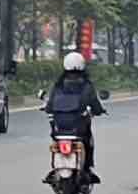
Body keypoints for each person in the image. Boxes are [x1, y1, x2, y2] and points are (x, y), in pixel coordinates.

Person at [44, 51, 107, 184]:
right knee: (88, 142)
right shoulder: (87, 86)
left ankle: (54, 169)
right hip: (79, 129)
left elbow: (49, 105)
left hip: (59, 129)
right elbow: (95, 104)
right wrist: (99, 111)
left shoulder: (58, 85)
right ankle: (87, 168)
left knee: (55, 143)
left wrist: (49, 110)